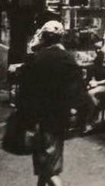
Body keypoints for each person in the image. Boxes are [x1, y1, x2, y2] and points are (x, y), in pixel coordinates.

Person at [17, 21, 84, 186]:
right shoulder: (68, 59)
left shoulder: (37, 59)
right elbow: (78, 89)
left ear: (45, 38)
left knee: (47, 167)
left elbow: (25, 92)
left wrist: (25, 119)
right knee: (47, 162)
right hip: (60, 118)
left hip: (40, 118)